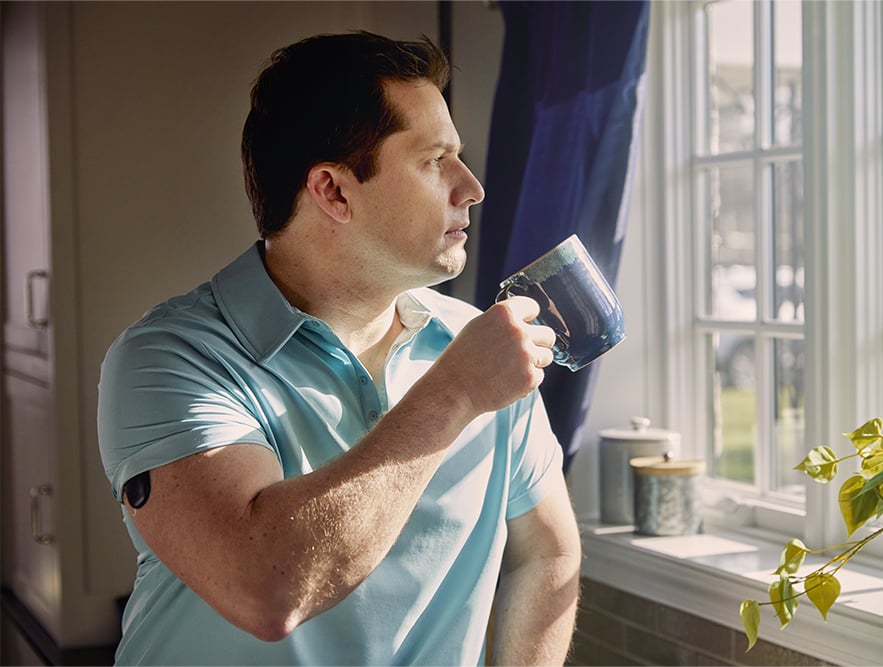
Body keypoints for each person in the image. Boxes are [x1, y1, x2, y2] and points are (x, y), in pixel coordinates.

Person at [97, 31, 581, 666]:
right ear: (333, 191)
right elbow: (268, 589)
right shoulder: (168, 360)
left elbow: (546, 552)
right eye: (435, 160)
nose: (472, 187)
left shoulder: (479, 345)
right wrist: (456, 392)